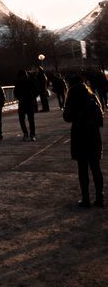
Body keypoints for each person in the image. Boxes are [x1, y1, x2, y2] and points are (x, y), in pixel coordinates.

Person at [63, 75, 104, 208]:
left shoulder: (72, 97)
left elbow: (67, 117)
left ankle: (85, 198)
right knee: (96, 167)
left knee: (83, 168)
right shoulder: (91, 96)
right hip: (93, 134)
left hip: (79, 134)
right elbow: (100, 118)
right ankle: (99, 197)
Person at [14, 69, 37, 141]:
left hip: (23, 102)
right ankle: (32, 134)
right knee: (31, 120)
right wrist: (33, 97)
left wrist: (20, 98)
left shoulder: (18, 82)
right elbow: (36, 90)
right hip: (29, 102)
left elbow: (15, 92)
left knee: (22, 119)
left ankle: (26, 133)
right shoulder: (30, 81)